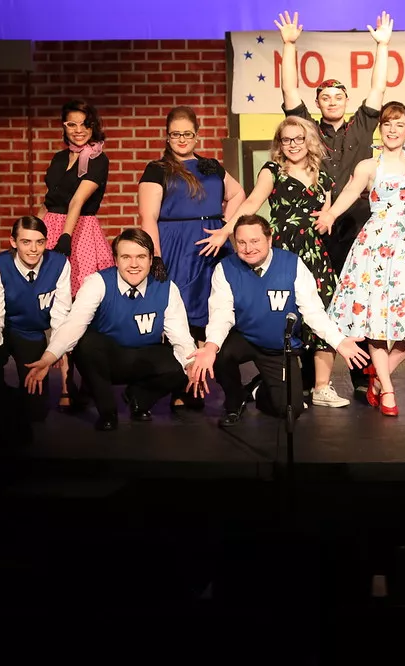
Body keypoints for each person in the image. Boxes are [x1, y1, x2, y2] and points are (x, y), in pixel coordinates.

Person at [274, 10, 393, 399]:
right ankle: (313, 381)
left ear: (346, 100)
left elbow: (377, 90)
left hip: (357, 219)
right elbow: (290, 93)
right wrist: (289, 46)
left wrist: (382, 45)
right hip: (315, 223)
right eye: (325, 97)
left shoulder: (362, 125)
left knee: (359, 297)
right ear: (318, 102)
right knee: (315, 297)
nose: (332, 101)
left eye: (338, 96)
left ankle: (362, 379)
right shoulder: (306, 129)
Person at [316, 102, 405, 417]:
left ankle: (378, 375)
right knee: (376, 324)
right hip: (376, 248)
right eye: (387, 123)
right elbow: (348, 193)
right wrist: (330, 213)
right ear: (380, 128)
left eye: (399, 124)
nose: (392, 129)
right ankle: (387, 389)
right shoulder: (368, 165)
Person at [186, 215, 369, 428]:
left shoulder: (291, 264)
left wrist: (339, 341)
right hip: (245, 337)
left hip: (279, 346)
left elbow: (312, 311)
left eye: (255, 241)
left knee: (290, 409)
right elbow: (221, 313)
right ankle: (234, 402)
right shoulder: (226, 268)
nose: (248, 248)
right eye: (242, 242)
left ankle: (257, 390)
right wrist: (210, 347)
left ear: (269, 239)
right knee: (219, 353)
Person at [218, 117, 352, 408]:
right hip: (283, 249)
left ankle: (321, 386)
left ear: (308, 141)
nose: (292, 145)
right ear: (279, 144)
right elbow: (252, 203)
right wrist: (227, 230)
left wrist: (327, 220)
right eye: (286, 140)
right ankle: (282, 380)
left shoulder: (322, 173)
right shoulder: (273, 171)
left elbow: (326, 214)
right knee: (285, 314)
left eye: (298, 139)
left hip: (314, 252)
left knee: (324, 313)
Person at [23, 229, 201, 432]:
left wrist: (192, 365)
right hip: (107, 359)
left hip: (144, 357)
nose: (134, 264)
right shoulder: (98, 282)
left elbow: (180, 335)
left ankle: (138, 399)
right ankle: (108, 413)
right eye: (126, 257)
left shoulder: (166, 288)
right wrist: (48, 357)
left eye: (141, 257)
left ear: (151, 259)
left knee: (184, 363)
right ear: (115, 260)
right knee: (87, 343)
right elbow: (73, 324)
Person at [138, 106, 246, 409]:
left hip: (212, 246)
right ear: (167, 137)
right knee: (181, 316)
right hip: (178, 246)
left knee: (214, 313)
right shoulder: (157, 169)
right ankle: (184, 385)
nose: (182, 139)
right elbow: (148, 218)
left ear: (196, 135)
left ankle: (216, 386)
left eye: (187, 133)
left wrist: (226, 228)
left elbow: (239, 196)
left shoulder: (211, 166)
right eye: (176, 134)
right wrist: (156, 258)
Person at [38, 99, 115, 410]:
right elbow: (50, 201)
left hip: (79, 231)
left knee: (83, 309)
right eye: (72, 124)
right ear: (64, 126)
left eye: (85, 124)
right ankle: (66, 381)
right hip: (51, 227)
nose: (79, 130)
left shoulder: (98, 159)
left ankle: (89, 379)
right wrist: (34, 234)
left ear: (93, 126)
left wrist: (66, 237)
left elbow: (76, 203)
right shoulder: (58, 159)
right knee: (58, 309)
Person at [0, 216, 72, 424]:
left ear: (46, 242)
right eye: (26, 242)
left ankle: (21, 400)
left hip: (31, 332)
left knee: (36, 412)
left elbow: (61, 312)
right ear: (13, 242)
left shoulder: (59, 264)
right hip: (3, 328)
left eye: (39, 242)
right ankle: (0, 397)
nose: (33, 249)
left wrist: (57, 347)